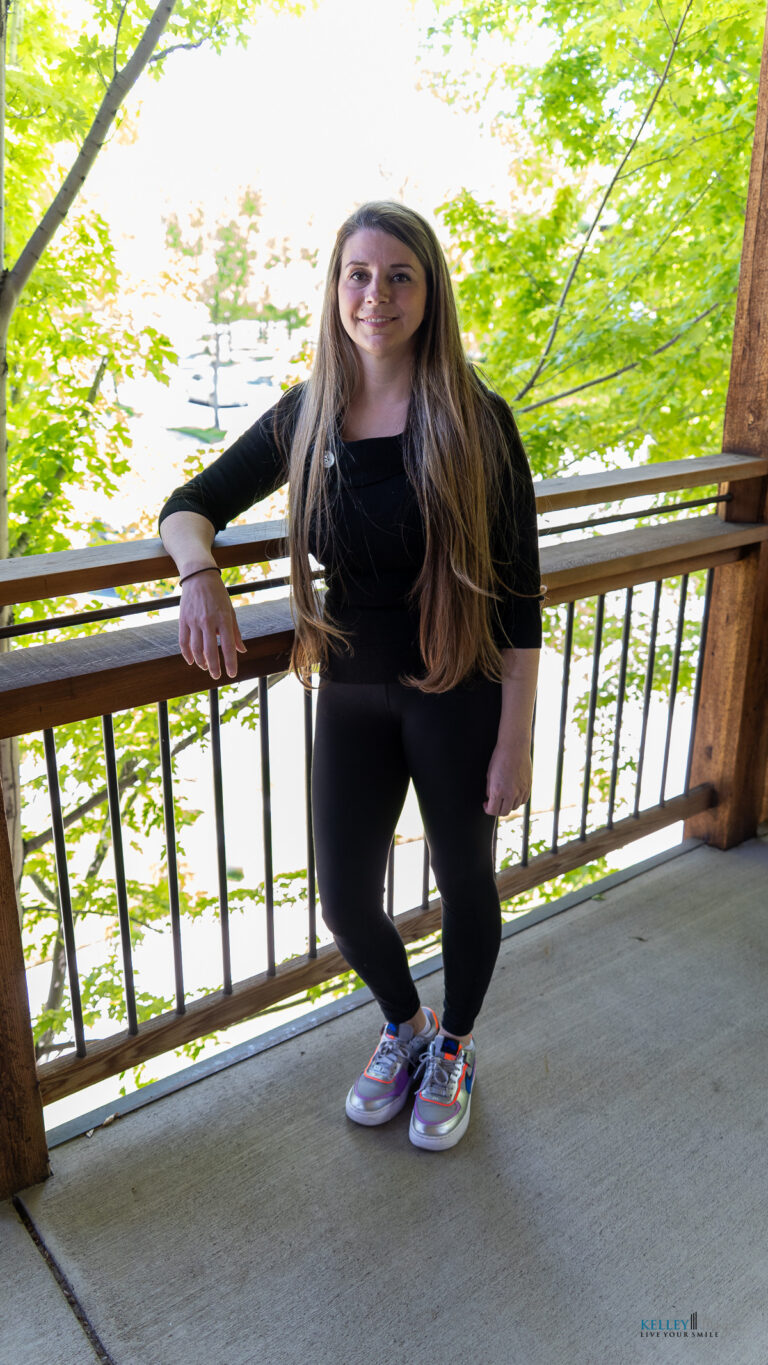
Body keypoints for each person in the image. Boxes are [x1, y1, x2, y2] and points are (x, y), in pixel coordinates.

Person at [159, 201, 542, 1152]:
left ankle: (454, 1046)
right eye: (359, 275)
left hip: (457, 688)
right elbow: (190, 505)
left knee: (466, 885)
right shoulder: (308, 415)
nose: (377, 295)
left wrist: (516, 739)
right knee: (343, 900)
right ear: (336, 289)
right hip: (351, 691)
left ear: (430, 291)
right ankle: (406, 1026)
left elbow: (520, 598)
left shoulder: (478, 419)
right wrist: (200, 577)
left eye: (400, 275)